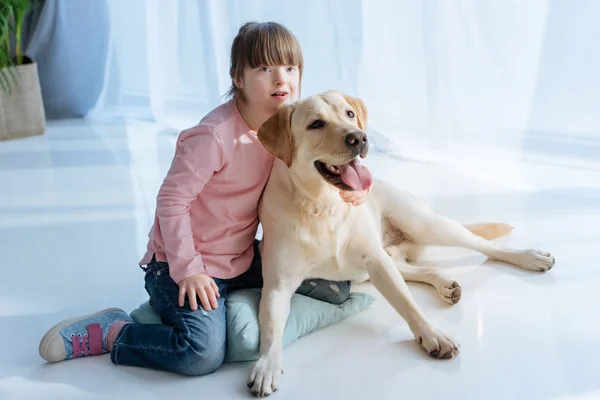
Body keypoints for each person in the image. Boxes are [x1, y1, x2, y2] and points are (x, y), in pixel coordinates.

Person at [38, 21, 369, 376]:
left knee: (336, 288)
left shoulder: (287, 130)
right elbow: (170, 202)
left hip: (241, 258)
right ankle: (115, 331)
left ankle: (223, 305)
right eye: (264, 68)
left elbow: (323, 163)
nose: (281, 79)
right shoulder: (213, 137)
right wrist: (189, 271)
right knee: (200, 354)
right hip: (180, 264)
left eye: (290, 68)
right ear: (238, 78)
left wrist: (354, 189)